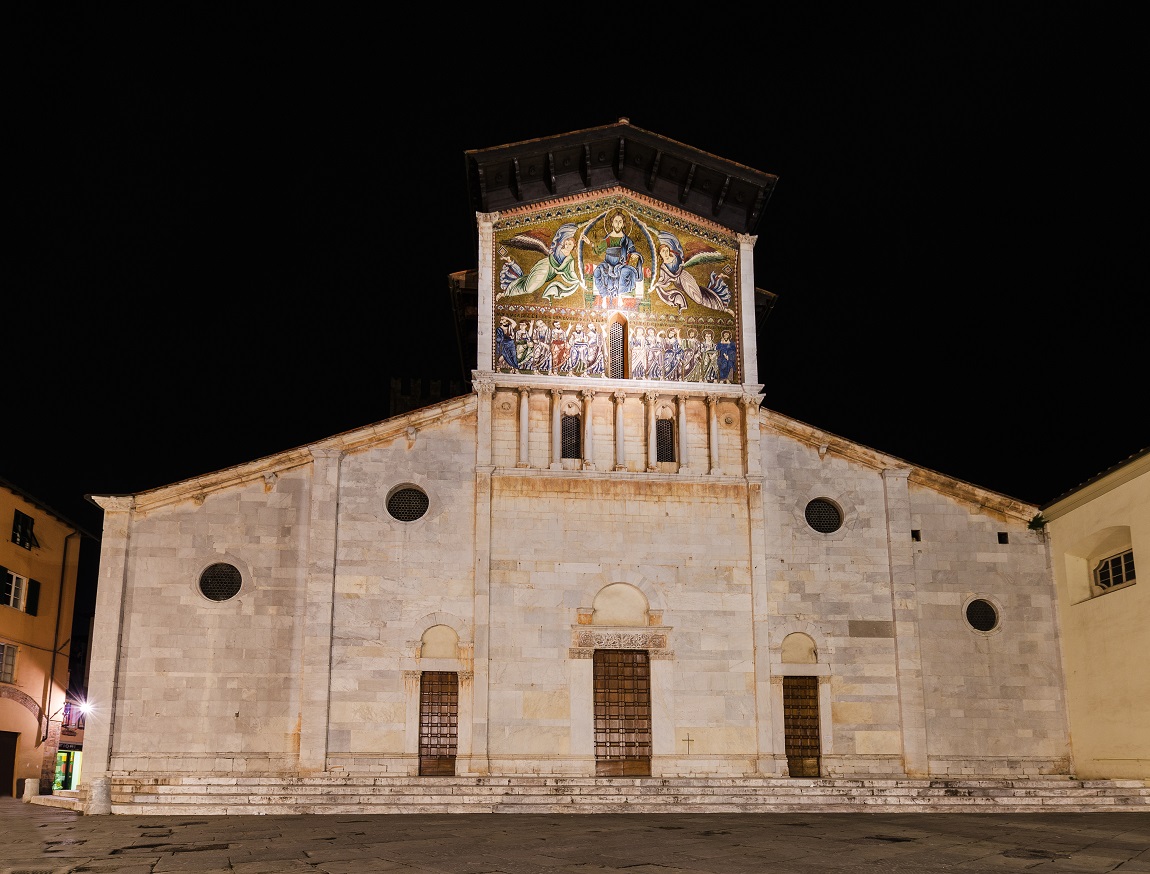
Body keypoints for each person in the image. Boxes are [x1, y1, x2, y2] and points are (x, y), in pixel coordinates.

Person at [649, 230, 733, 314]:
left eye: (667, 250)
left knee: (698, 299)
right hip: (679, 284)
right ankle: (721, 304)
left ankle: (723, 307)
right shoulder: (663, 267)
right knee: (699, 296)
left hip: (685, 278)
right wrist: (655, 286)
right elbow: (663, 280)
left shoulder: (675, 258)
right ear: (660, 254)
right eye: (663, 251)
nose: (665, 253)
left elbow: (679, 251)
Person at [497, 224, 582, 301]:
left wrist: (579, 281)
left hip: (550, 274)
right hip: (545, 267)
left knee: (528, 282)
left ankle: (511, 267)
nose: (567, 245)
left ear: (574, 246)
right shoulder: (558, 249)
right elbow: (565, 231)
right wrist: (584, 224)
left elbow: (571, 272)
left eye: (570, 244)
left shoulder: (570, 260)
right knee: (529, 288)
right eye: (566, 243)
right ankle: (505, 293)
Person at [585, 209, 644, 301]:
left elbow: (633, 252)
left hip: (621, 264)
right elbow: (598, 250)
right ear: (612, 223)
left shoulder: (627, 240)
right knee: (597, 272)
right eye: (616, 221)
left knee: (626, 272)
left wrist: (633, 258)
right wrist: (590, 243)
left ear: (623, 224)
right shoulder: (608, 239)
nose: (618, 224)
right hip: (608, 264)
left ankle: (619, 295)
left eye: (620, 222)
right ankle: (604, 294)